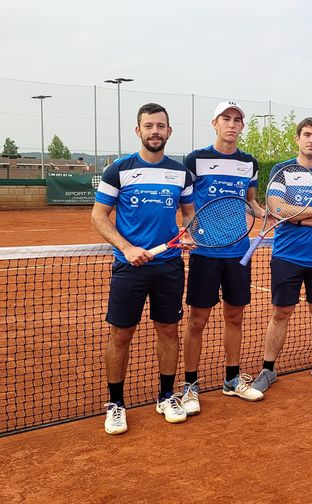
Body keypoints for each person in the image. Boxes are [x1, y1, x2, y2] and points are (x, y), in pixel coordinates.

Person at [92, 103, 194, 435]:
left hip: (169, 267)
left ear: (169, 131)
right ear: (138, 131)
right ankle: (116, 403)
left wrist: (190, 233)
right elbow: (98, 216)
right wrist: (126, 247)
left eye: (160, 126)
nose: (155, 131)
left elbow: (190, 216)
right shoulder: (118, 170)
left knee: (168, 331)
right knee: (121, 335)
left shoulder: (181, 174)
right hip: (129, 268)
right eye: (148, 126)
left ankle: (166, 396)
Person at [180, 101, 265, 416]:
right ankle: (190, 385)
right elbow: (184, 202)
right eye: (225, 119)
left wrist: (262, 213)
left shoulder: (249, 163)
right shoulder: (195, 160)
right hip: (204, 252)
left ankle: (232, 379)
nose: (231, 124)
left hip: (238, 252)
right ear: (214, 123)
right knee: (197, 321)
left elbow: (250, 201)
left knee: (235, 317)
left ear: (242, 127)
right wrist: (186, 229)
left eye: (237, 120)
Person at [252, 117, 312, 392]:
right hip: (287, 256)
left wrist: (297, 218)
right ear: (297, 138)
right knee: (281, 312)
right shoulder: (281, 171)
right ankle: (268, 370)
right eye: (307, 134)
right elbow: (277, 209)